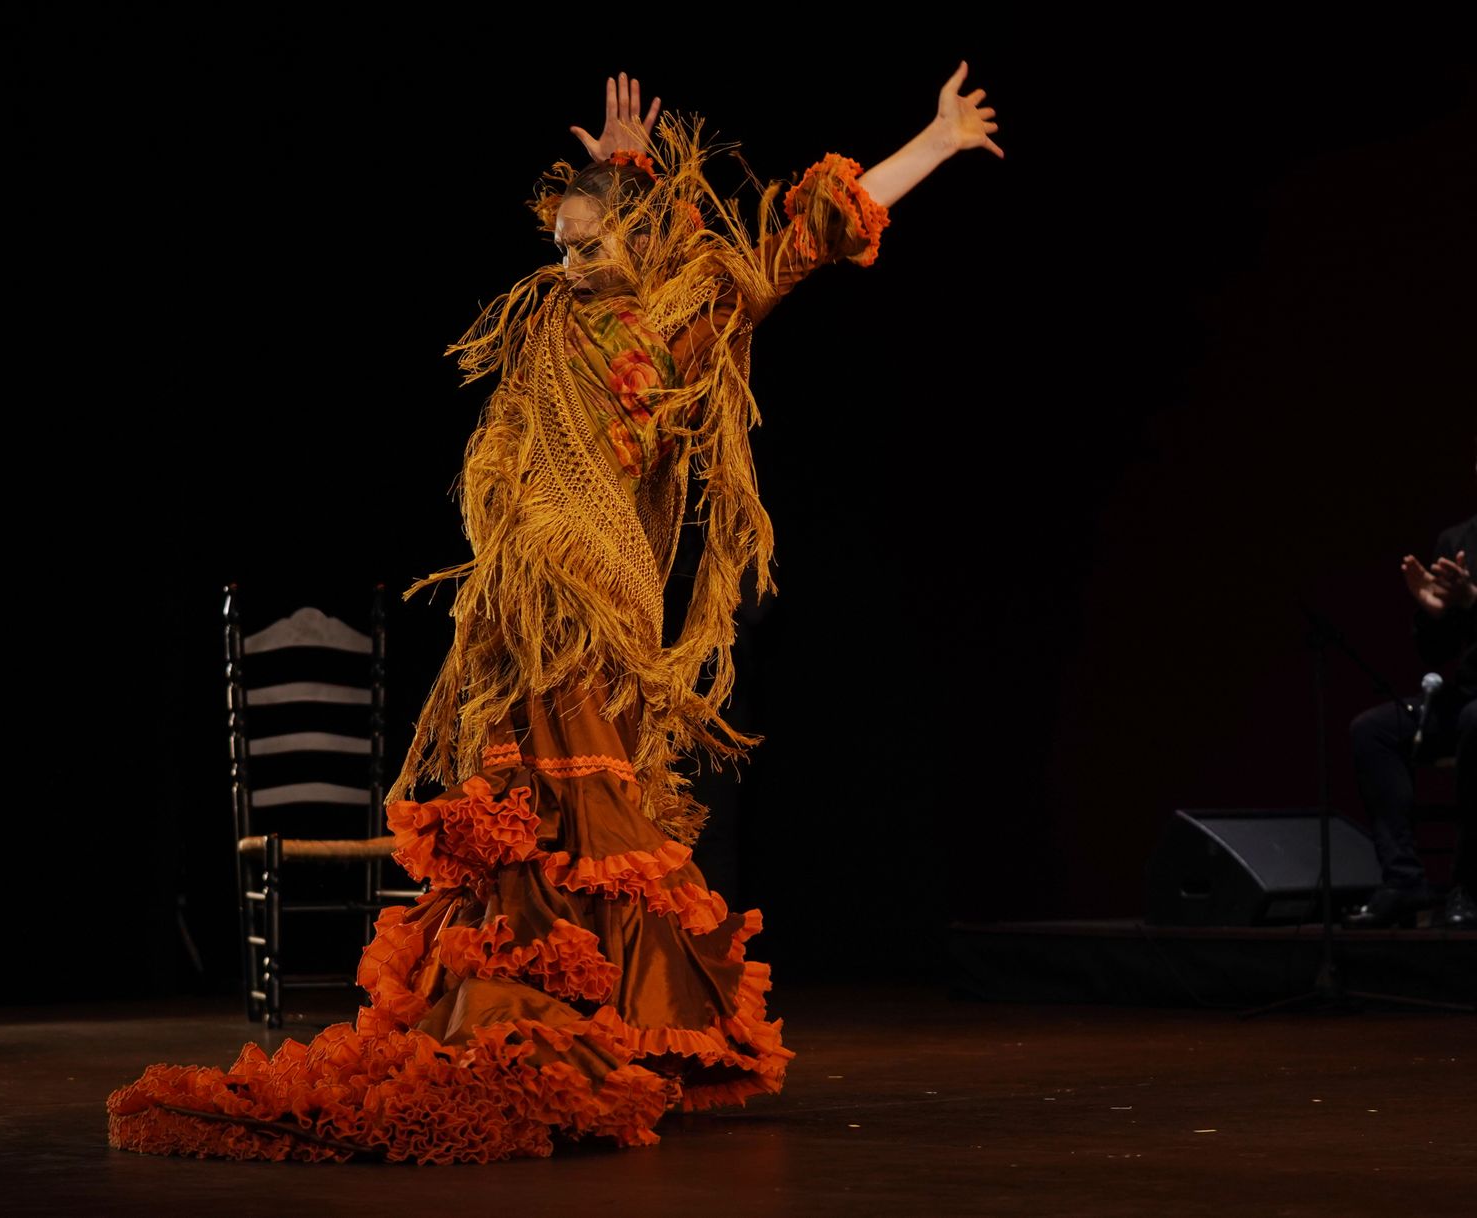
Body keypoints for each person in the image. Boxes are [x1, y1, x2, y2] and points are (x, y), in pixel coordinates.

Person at [107, 68, 1003, 1164]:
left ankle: (583, 1027)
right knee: (532, 811)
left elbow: (807, 235)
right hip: (525, 591)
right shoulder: (554, 320)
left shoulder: (691, 308)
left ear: (640, 236)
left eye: (591, 244)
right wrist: (622, 170)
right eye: (563, 246)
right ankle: (572, 1019)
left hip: (600, 591)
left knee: (583, 811)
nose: (570, 263)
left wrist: (936, 139)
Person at [1346, 513, 1476, 928]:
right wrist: (1433, 614)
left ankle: (1470, 887)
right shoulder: (1457, 540)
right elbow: (1436, 654)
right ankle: (1404, 881)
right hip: (1469, 697)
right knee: (1374, 731)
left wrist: (1473, 599)